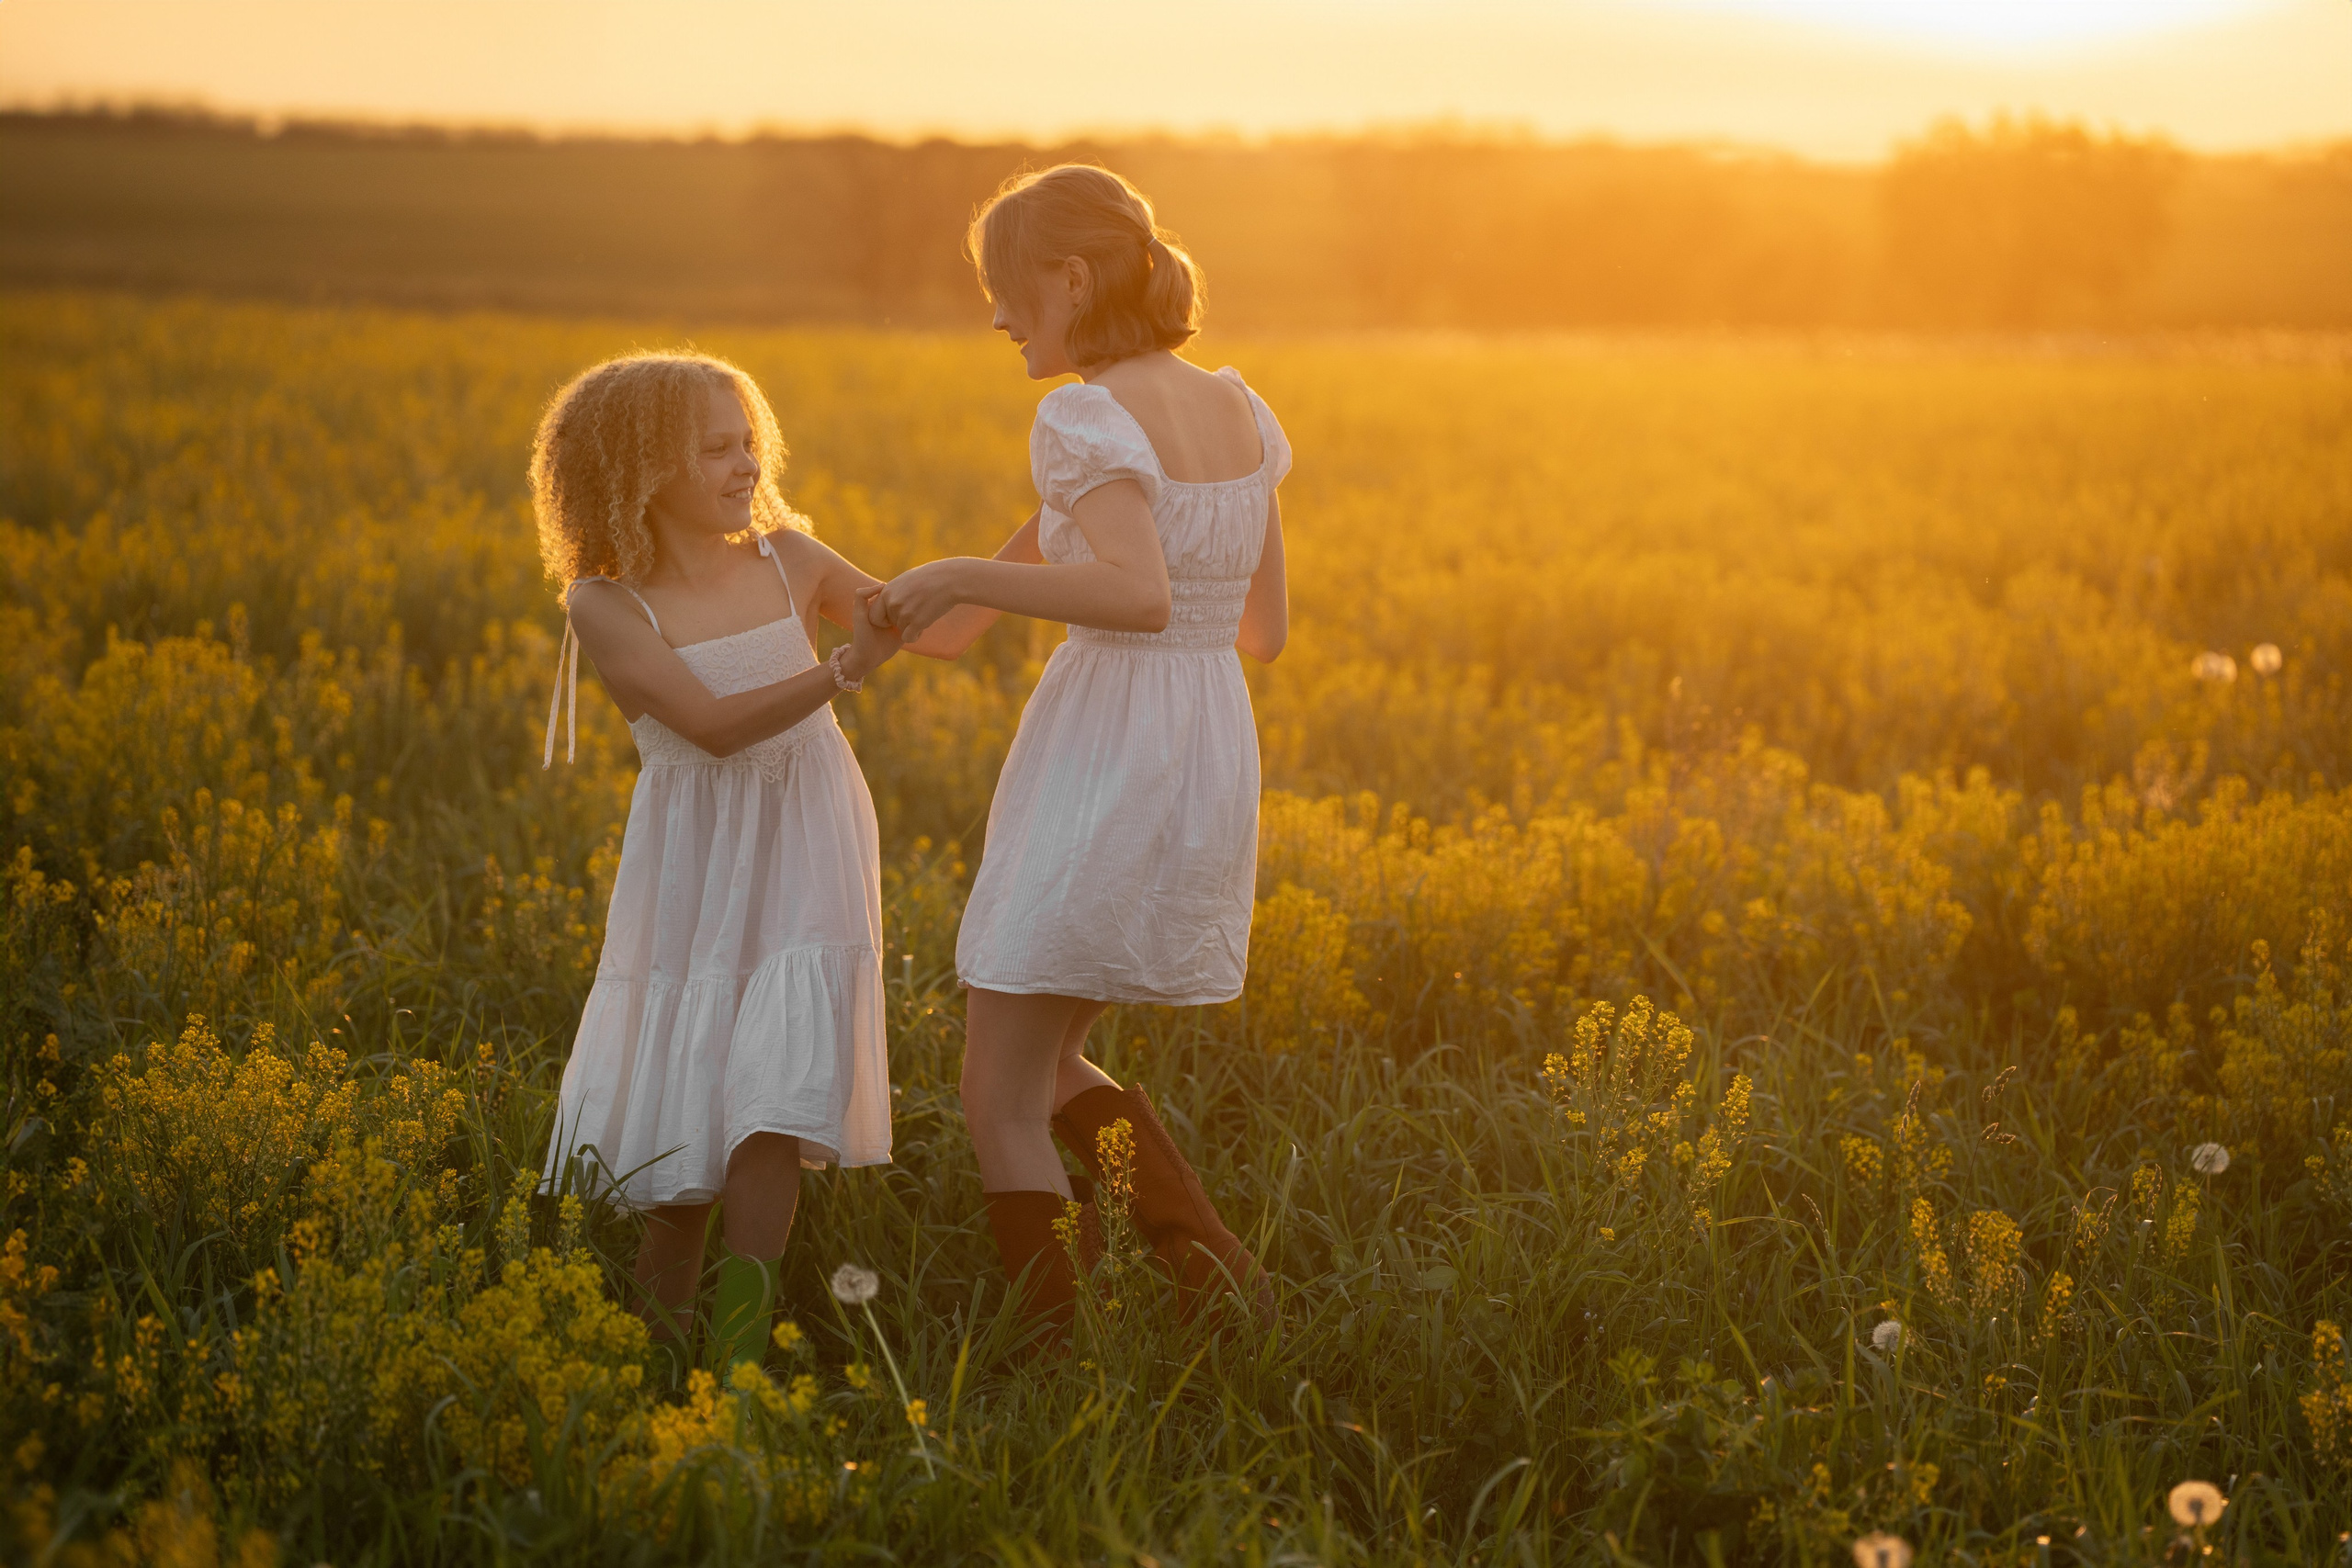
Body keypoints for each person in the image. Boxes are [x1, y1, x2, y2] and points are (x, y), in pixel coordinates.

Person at [870, 164, 1290, 1337]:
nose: (998, 316)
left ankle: (1056, 1357)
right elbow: (1262, 631)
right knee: (1051, 1064)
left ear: (1070, 277)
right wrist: (807, 575)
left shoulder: (1081, 416)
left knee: (995, 1092)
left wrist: (955, 569)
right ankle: (1224, 1287)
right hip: (1200, 756)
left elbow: (1136, 594)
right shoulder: (1241, 411)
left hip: (1104, 759)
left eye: (1006, 288)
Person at [532, 350, 903, 1373]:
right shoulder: (605, 604)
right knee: (694, 1097)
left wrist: (1027, 547)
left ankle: (737, 1357)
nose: (746, 463)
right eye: (715, 448)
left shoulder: (789, 557)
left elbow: (933, 623)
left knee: (776, 1093)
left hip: (809, 833)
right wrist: (840, 669)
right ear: (640, 469)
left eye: (749, 441)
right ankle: (656, 1357)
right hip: (698, 853)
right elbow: (710, 727)